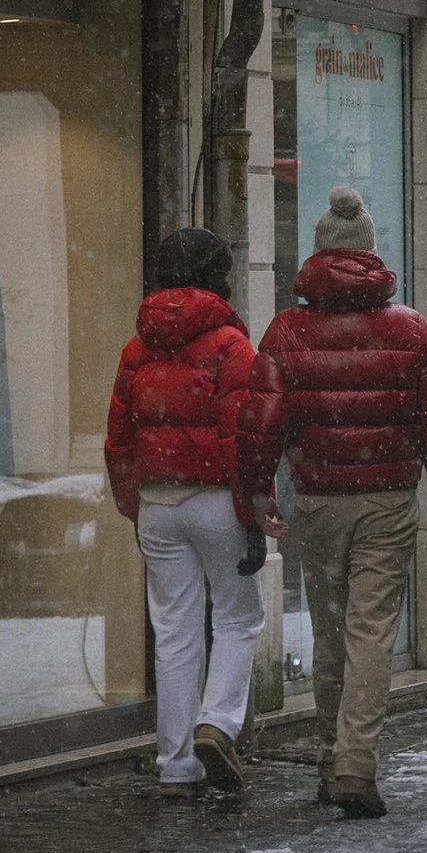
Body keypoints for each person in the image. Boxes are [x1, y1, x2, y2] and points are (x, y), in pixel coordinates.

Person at [244, 184, 427, 820]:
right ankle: (355, 764)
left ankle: (327, 756)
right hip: (386, 501)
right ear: (373, 255)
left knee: (329, 629)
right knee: (371, 630)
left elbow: (261, 421)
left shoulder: (287, 331)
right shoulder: (409, 330)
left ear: (318, 254)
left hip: (318, 499)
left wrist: (259, 491)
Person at [104, 224, 268, 799]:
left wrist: (135, 506)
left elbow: (118, 439)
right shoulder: (229, 346)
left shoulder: (135, 347)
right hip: (217, 500)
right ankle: (217, 724)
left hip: (157, 505)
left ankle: (175, 761)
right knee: (239, 617)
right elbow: (241, 439)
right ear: (216, 278)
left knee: (172, 633)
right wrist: (252, 515)